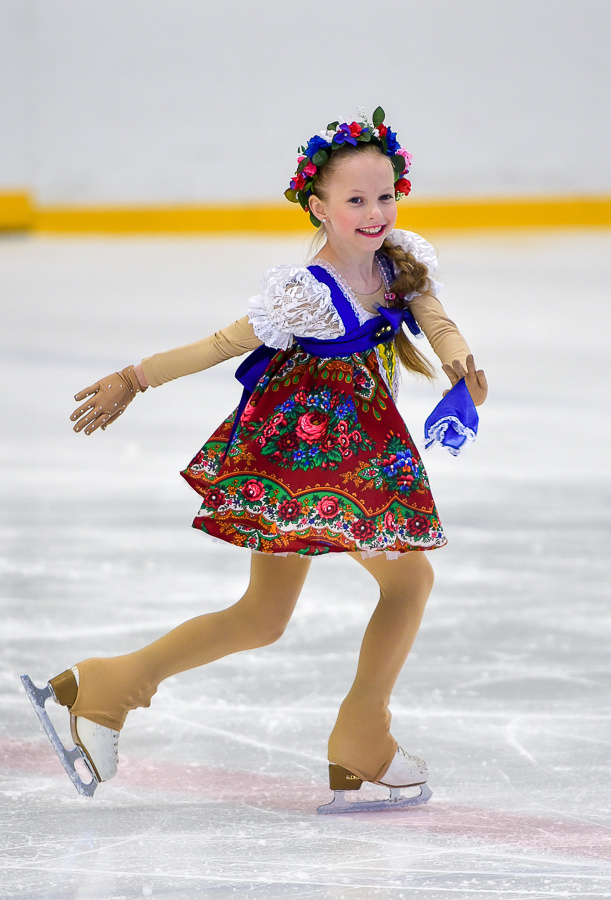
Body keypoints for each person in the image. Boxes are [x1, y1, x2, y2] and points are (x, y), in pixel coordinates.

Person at [22, 107, 487, 813]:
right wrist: (132, 377)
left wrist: (460, 366)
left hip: (349, 456)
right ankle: (363, 736)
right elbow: (218, 344)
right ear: (317, 206)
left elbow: (436, 320)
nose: (374, 212)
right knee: (408, 581)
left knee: (262, 617)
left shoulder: (400, 263)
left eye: (385, 195)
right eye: (355, 200)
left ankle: (108, 685)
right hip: (311, 460)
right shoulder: (303, 290)